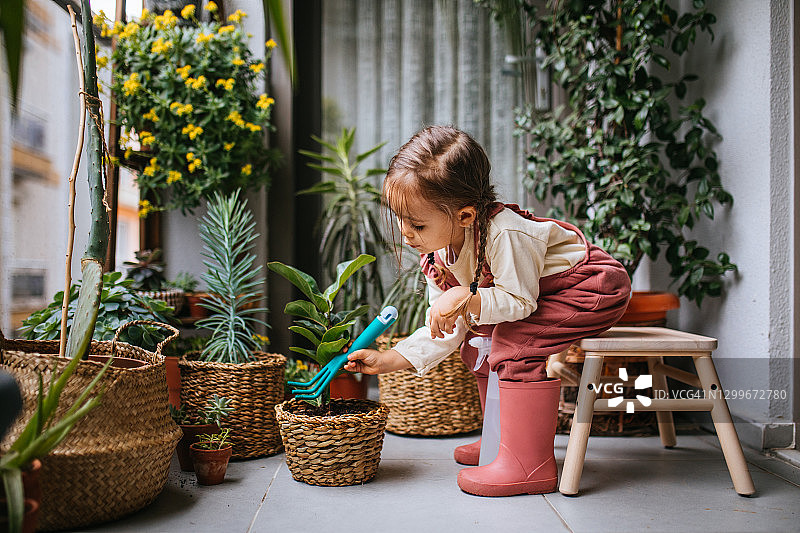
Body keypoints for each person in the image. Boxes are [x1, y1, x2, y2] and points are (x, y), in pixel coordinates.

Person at [344, 125, 631, 497]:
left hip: (588, 287)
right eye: (400, 219)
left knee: (514, 343)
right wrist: (391, 359)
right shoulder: (437, 255)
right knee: (478, 344)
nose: (406, 233)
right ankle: (499, 439)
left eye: (416, 223)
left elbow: (519, 302)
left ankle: (529, 465)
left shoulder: (505, 234)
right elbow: (449, 328)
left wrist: (466, 296)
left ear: (464, 216)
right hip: (541, 295)